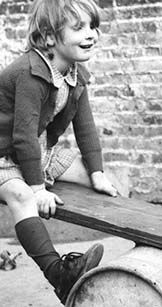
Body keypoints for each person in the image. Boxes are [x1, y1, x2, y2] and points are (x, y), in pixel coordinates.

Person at [0, 0, 118, 303]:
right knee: (22, 196)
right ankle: (59, 275)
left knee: (101, 180)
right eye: (78, 28)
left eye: (92, 26)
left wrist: (97, 172)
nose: (91, 34)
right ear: (49, 36)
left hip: (38, 150)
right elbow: (23, 136)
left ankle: (139, 259)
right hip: (4, 154)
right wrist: (37, 188)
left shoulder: (75, 72)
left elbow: (86, 127)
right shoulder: (29, 72)